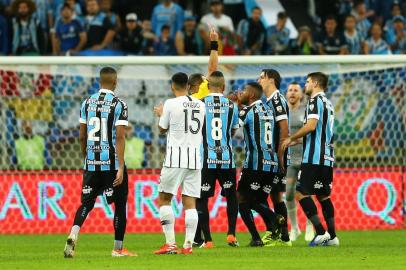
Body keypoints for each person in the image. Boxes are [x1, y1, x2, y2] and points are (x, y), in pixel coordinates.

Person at [63, 67, 136, 258]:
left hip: (91, 163)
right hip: (111, 164)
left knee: (86, 204)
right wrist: (120, 166)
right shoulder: (119, 104)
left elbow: (81, 135)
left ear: (99, 82)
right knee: (119, 206)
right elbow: (120, 137)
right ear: (115, 81)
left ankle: (73, 233)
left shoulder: (86, 103)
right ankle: (118, 249)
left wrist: (86, 157)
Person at [282, 72, 339, 247]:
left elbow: (311, 126)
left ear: (314, 83)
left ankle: (320, 232)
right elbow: (320, 131)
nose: (305, 85)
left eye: (307, 82)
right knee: (323, 196)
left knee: (299, 192)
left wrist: (292, 138)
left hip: (313, 157)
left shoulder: (314, 101)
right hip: (326, 156)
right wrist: (299, 140)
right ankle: (333, 237)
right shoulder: (328, 103)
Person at [152, 72, 205, 255]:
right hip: (195, 159)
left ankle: (171, 244)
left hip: (175, 158)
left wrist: (160, 114)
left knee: (164, 199)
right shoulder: (200, 104)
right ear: (188, 85)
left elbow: (162, 129)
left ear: (172, 85)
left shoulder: (170, 103)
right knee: (190, 203)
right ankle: (188, 245)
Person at [194, 71, 239, 248]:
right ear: (223, 86)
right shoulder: (231, 106)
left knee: (202, 198)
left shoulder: (200, 104)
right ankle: (231, 234)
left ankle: (209, 240)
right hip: (226, 159)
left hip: (206, 159)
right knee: (231, 196)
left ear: (208, 86)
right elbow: (234, 131)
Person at [236, 82, 281, 247]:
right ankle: (272, 229)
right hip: (272, 163)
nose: (242, 92)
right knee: (257, 200)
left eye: (245, 90)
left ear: (252, 95)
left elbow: (233, 128)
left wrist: (235, 105)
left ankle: (258, 235)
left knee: (241, 198)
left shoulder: (248, 111)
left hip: (255, 163)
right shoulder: (269, 110)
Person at [257, 69, 291, 246]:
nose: (259, 80)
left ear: (271, 80)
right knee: (276, 197)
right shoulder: (269, 101)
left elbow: (284, 128)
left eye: (261, 77)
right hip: (273, 156)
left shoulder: (277, 99)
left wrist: (280, 156)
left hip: (277, 157)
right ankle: (284, 237)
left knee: (258, 197)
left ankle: (273, 230)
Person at [284, 82, 314, 242]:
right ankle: (294, 228)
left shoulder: (306, 111)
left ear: (301, 95)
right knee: (288, 194)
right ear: (286, 93)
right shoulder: (282, 112)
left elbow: (311, 133)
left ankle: (310, 225)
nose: (293, 93)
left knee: (306, 192)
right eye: (290, 90)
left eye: (296, 90)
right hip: (288, 159)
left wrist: (294, 140)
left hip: (305, 158)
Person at [188, 26, 219, 99]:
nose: (207, 82)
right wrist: (214, 42)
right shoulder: (202, 92)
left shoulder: (183, 101)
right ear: (198, 85)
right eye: (204, 81)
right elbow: (212, 69)